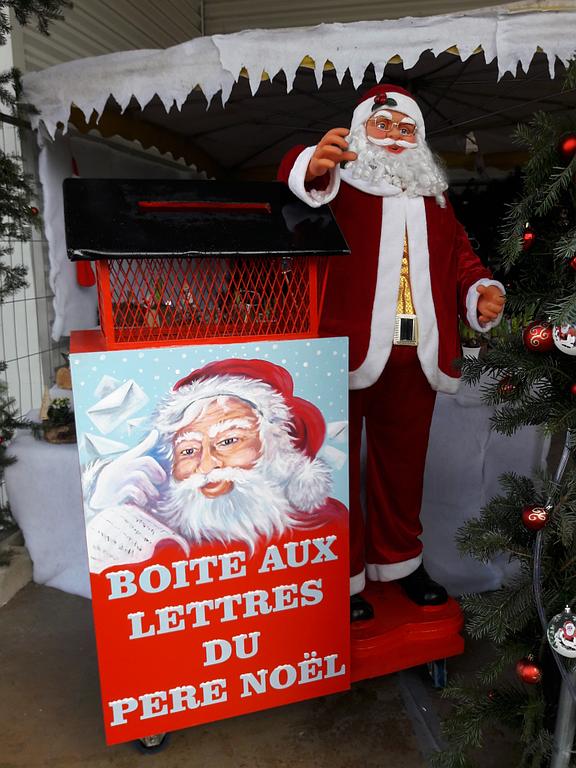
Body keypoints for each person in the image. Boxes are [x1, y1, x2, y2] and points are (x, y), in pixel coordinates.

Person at [278, 84, 506, 621]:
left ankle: (401, 562)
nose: (398, 138)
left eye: (408, 130)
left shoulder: (437, 200)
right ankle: (341, 571)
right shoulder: (339, 184)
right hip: (345, 351)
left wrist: (479, 293)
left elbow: (461, 261)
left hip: (416, 354)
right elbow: (299, 177)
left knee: (403, 468)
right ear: (361, 132)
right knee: (333, 469)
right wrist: (311, 162)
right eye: (386, 127)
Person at [83, 359, 346, 573]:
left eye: (229, 440)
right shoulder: (151, 535)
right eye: (188, 450)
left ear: (275, 449)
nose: (207, 466)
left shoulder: (327, 524)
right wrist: (99, 505)